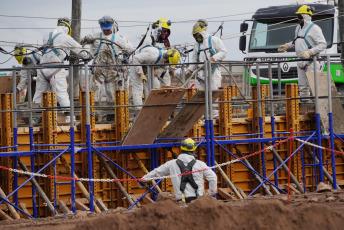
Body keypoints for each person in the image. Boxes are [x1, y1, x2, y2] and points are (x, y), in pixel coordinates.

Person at [33, 17, 88, 108]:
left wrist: (63, 54)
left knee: (39, 96)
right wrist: (88, 56)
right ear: (68, 28)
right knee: (62, 95)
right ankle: (69, 120)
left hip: (42, 69)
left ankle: (34, 119)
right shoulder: (65, 37)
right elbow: (80, 51)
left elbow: (52, 49)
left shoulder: (47, 35)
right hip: (56, 70)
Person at [141, 138, 217, 203]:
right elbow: (213, 178)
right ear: (194, 149)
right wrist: (210, 193)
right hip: (198, 201)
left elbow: (157, 172)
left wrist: (143, 180)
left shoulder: (171, 164)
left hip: (181, 201)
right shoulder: (200, 164)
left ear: (181, 149)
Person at [278, 5, 326, 102]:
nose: (298, 19)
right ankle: (305, 107)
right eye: (298, 17)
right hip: (301, 61)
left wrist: (310, 52)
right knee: (302, 87)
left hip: (311, 62)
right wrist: (287, 46)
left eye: (300, 17)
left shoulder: (315, 29)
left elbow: (323, 44)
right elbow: (297, 41)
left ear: (306, 17)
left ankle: (318, 108)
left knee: (315, 87)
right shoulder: (298, 28)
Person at [81, 16, 134, 102]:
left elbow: (129, 49)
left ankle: (112, 114)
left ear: (112, 27)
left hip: (112, 71)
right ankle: (93, 113)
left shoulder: (118, 39)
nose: (105, 31)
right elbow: (80, 41)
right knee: (93, 93)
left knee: (113, 96)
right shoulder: (95, 37)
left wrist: (129, 52)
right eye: (104, 29)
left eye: (107, 29)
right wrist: (85, 38)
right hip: (98, 70)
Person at [185, 19, 227, 117]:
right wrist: (190, 69)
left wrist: (214, 58)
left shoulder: (214, 40)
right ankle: (201, 115)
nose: (195, 37)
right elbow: (195, 59)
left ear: (202, 33)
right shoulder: (196, 45)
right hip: (200, 73)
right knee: (200, 95)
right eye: (194, 35)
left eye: (196, 34)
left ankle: (214, 116)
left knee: (213, 94)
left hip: (213, 72)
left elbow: (224, 52)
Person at [129, 46, 180, 113]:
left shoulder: (164, 59)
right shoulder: (152, 55)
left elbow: (164, 66)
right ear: (166, 57)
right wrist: (141, 73)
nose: (167, 63)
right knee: (138, 87)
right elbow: (136, 58)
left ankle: (151, 106)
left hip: (146, 64)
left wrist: (171, 70)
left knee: (155, 85)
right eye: (168, 62)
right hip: (135, 61)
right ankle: (139, 110)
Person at [139, 18, 176, 87]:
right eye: (164, 31)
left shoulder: (166, 42)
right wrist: (150, 69)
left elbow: (170, 55)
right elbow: (143, 57)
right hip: (153, 71)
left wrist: (172, 68)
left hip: (164, 71)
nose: (166, 33)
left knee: (167, 90)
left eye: (167, 31)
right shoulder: (149, 40)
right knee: (155, 89)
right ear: (158, 30)